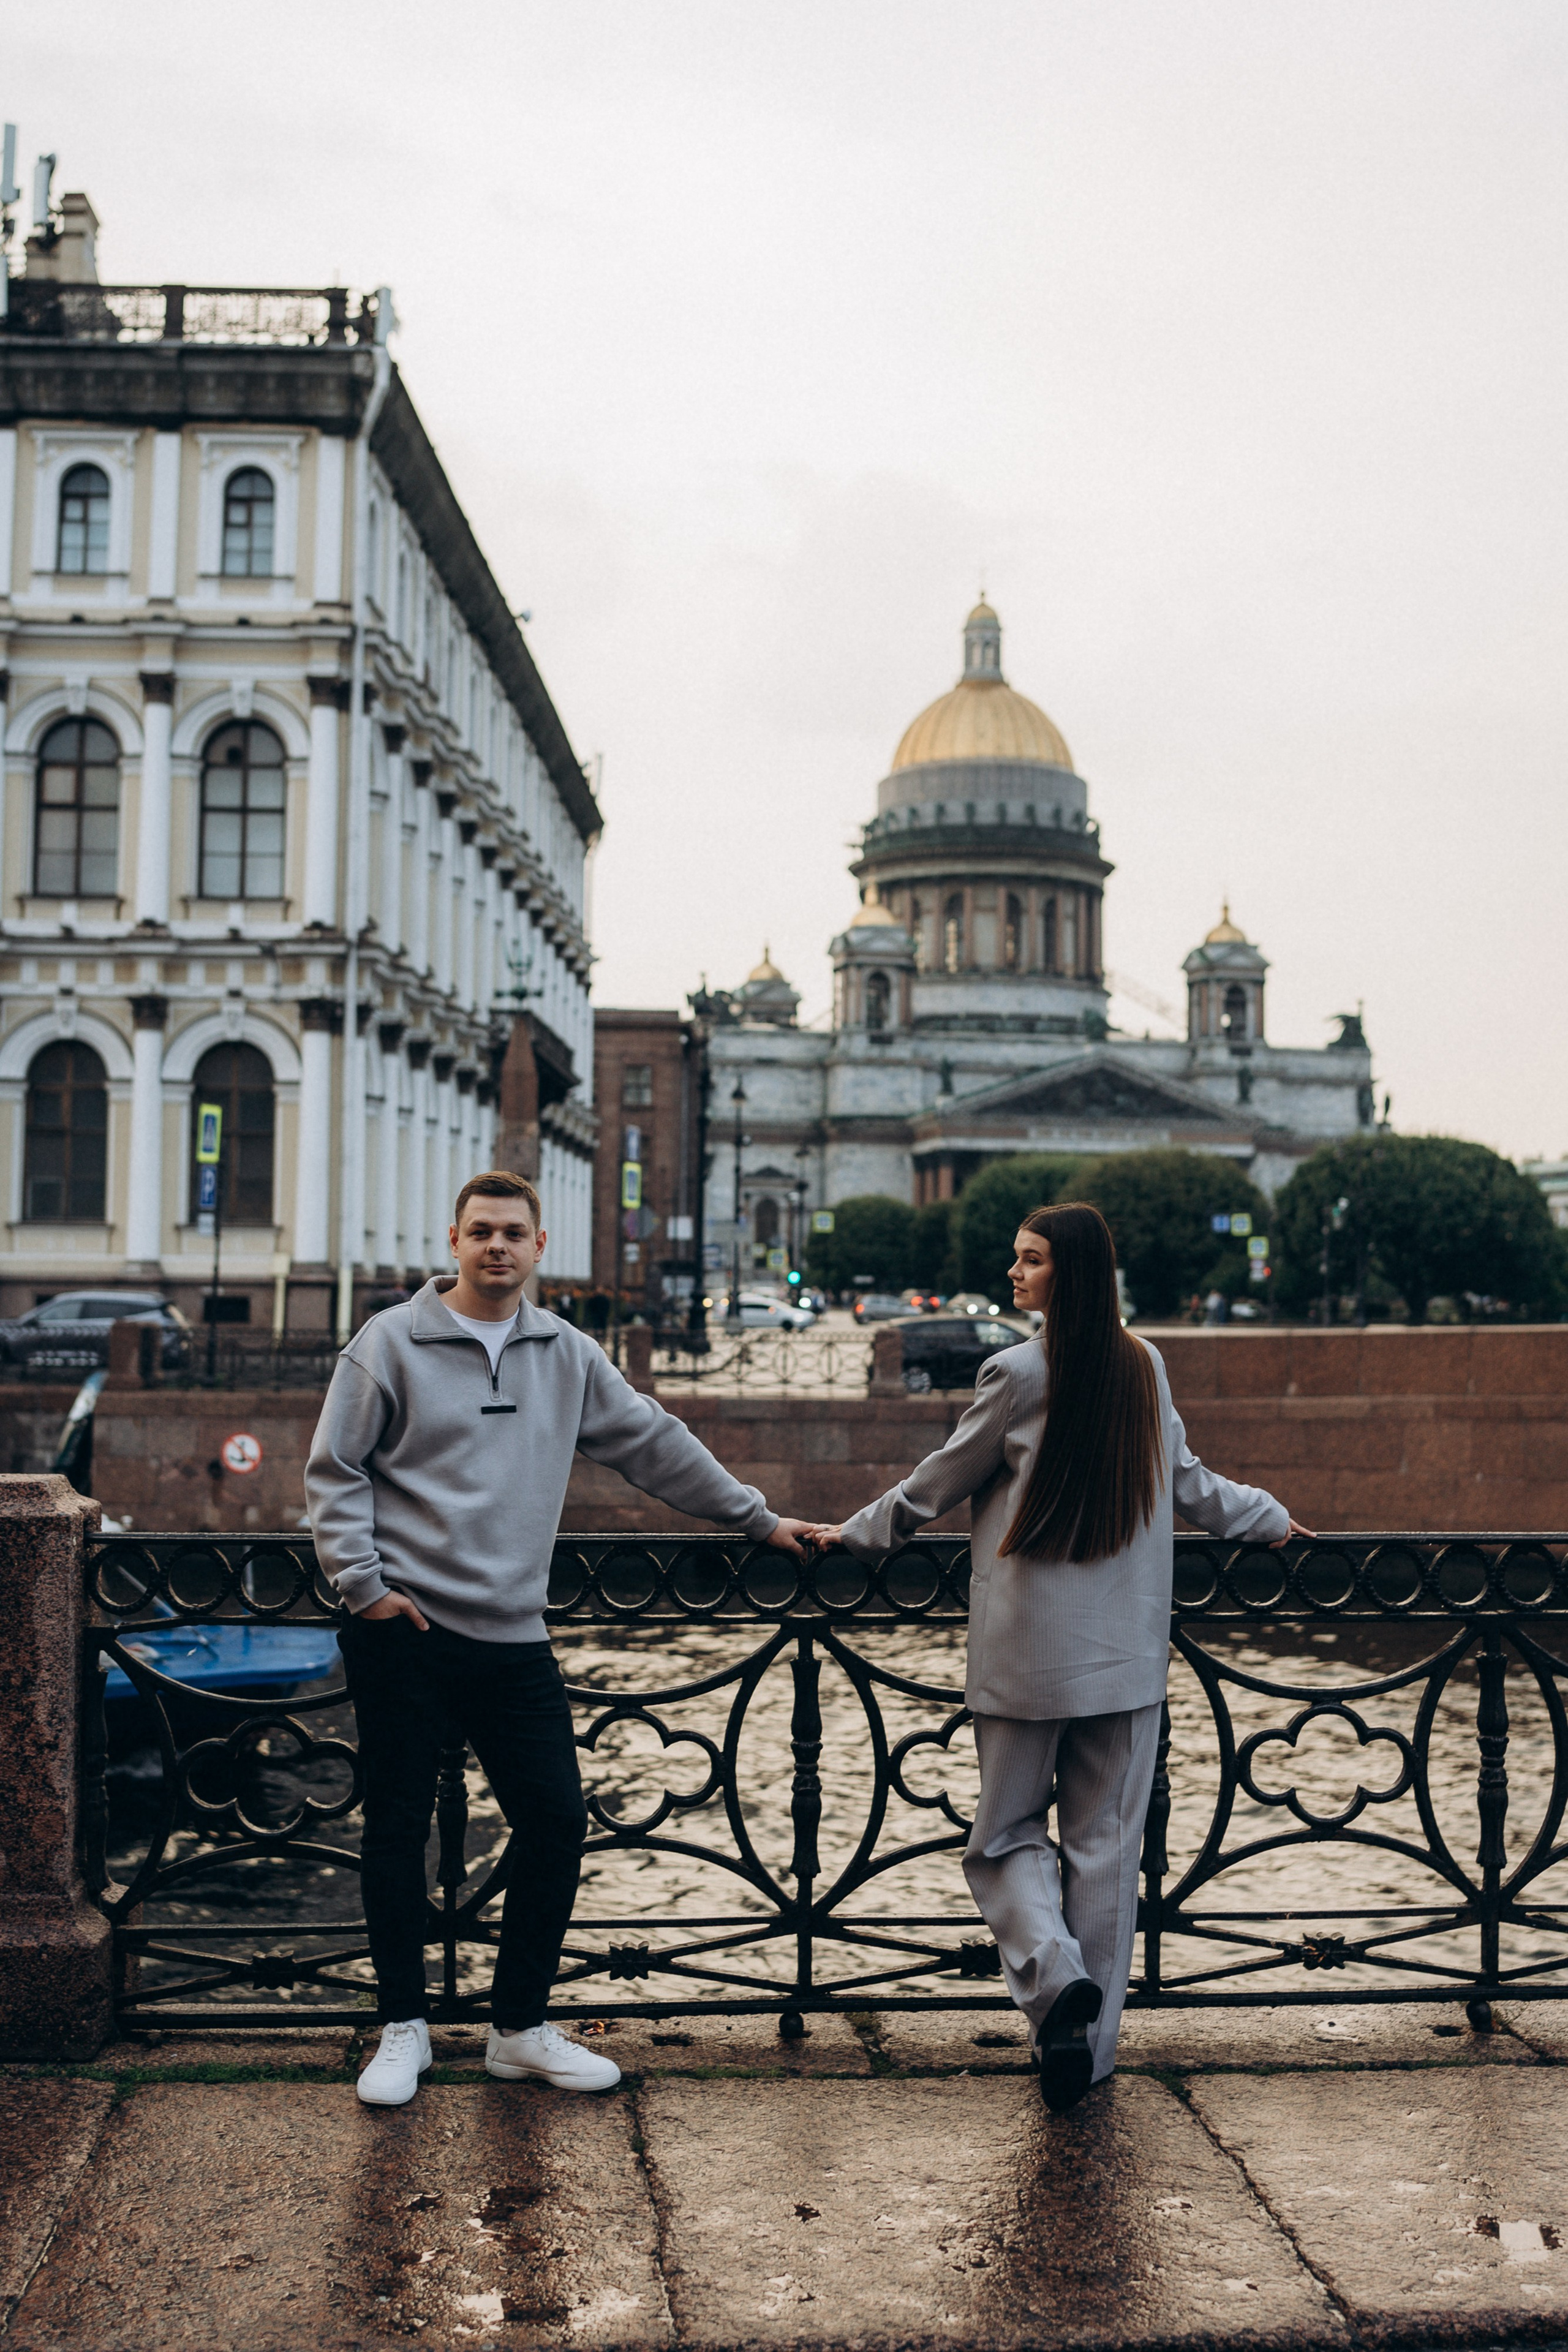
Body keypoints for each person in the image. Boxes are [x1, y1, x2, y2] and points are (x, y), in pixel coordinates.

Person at [306, 1169, 813, 2108]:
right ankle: (402, 2030)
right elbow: (334, 1470)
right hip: (405, 1631)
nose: (497, 1247)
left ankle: (518, 2030)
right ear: (452, 1243)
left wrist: (757, 1521)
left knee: (554, 1821)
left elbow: (656, 1445)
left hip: (512, 1633)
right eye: (481, 1232)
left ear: (540, 1249)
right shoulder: (389, 1343)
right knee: (396, 1829)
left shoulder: (566, 1353)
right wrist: (364, 1587)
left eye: (513, 1234)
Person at [804, 1201, 1310, 2115]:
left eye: (1030, 1260)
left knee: (1001, 1841)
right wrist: (1268, 1518)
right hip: (1125, 1659)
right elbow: (1192, 1483)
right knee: (1107, 1853)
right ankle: (1092, 2050)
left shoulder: (1018, 1371)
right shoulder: (1144, 1363)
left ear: (1067, 1273)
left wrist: (850, 1535)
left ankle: (1052, 1979)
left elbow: (936, 1483)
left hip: (1027, 1657)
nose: (1014, 1274)